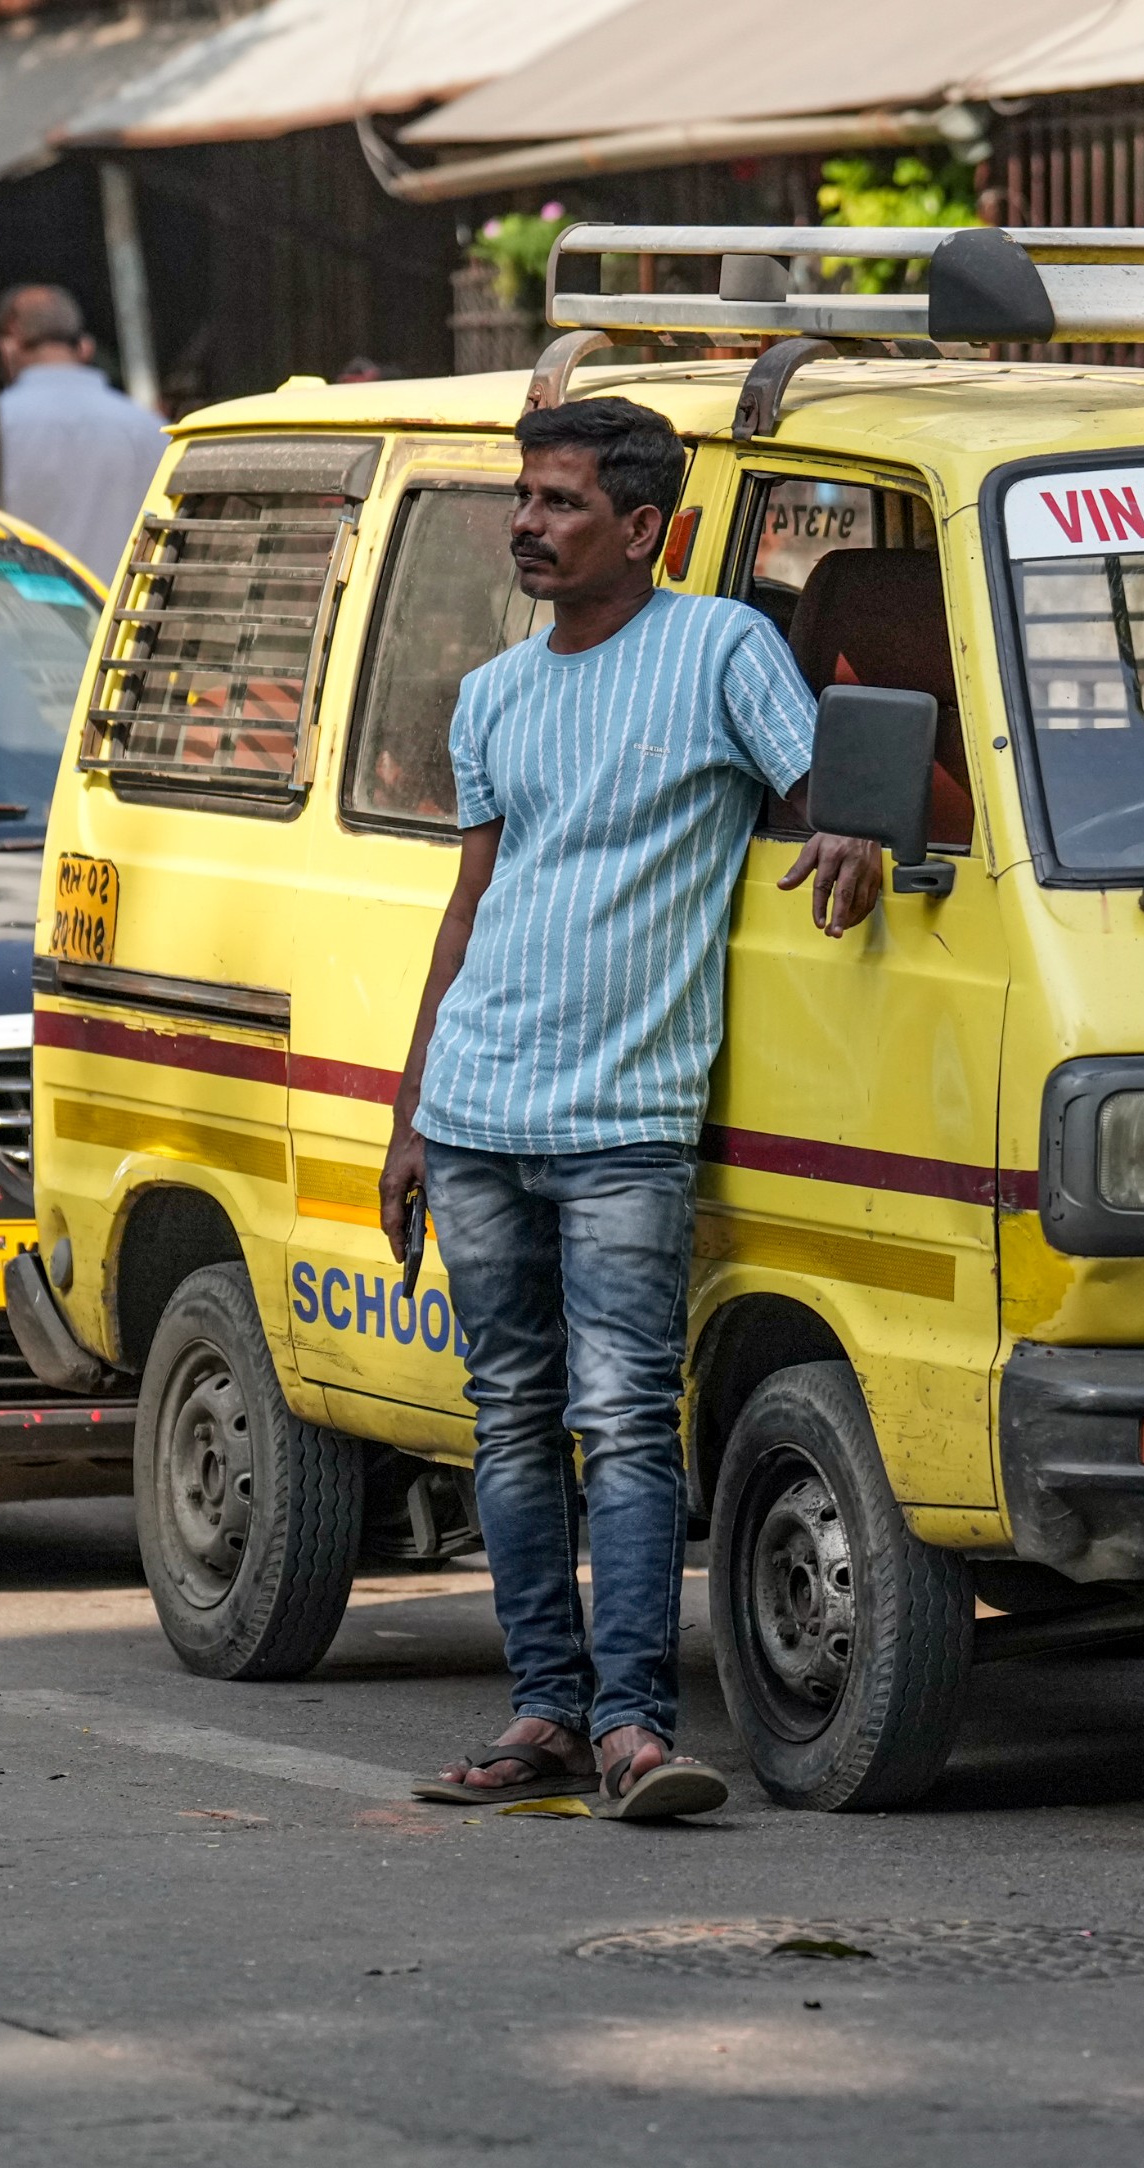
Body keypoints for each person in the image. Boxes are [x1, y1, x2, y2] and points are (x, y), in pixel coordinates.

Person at [385, 396, 882, 1823]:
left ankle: (631, 1730)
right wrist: (411, 1115)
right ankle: (542, 1714)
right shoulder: (492, 694)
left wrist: (843, 823)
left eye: (557, 502)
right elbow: (469, 902)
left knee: (623, 1421)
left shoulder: (719, 650)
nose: (526, 526)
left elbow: (814, 783)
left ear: (644, 528)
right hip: (478, 1105)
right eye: (523, 499)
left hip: (624, 1117)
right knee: (509, 1418)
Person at [0, 285, 166, 582]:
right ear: (85, 348)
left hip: (15, 621)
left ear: (7, 347)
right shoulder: (153, 431)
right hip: (125, 621)